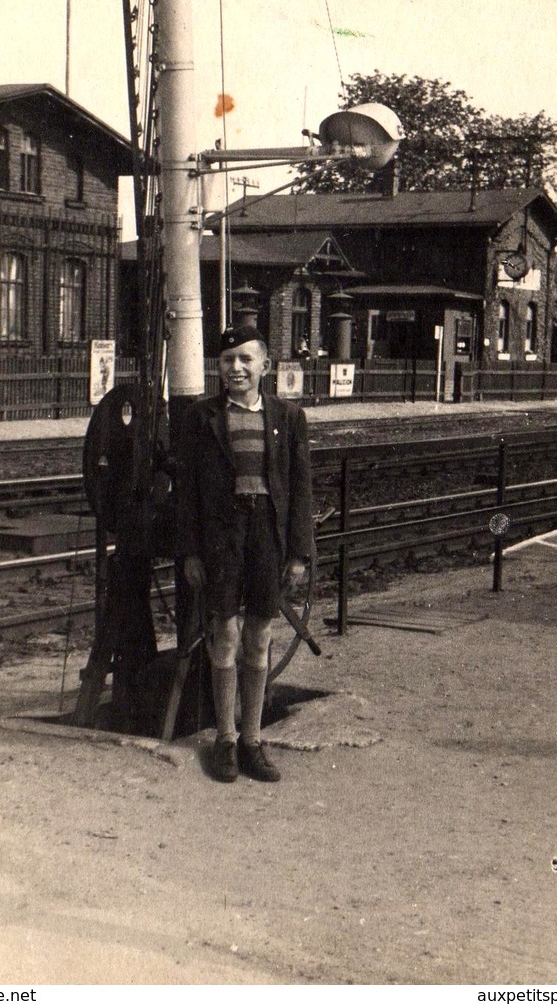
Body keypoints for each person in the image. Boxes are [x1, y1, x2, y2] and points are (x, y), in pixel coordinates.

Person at [176, 325, 314, 783]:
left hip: (266, 539)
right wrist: (192, 552)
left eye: (245, 360)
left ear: (265, 367)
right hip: (222, 540)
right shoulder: (202, 419)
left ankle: (253, 740)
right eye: (226, 360)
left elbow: (299, 492)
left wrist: (298, 554)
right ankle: (225, 740)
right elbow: (190, 493)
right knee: (225, 636)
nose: (235, 368)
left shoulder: (289, 417)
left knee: (259, 637)